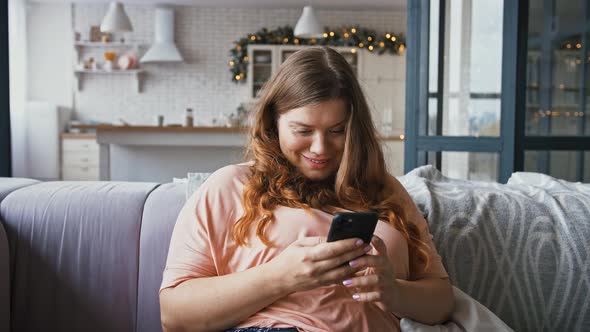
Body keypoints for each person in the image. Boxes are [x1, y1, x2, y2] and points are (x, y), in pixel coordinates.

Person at [159, 46, 454, 332]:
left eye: (337, 131)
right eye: (303, 131)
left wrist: (394, 292)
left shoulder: (384, 189)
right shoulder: (230, 186)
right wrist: (282, 277)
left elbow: (442, 301)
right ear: (273, 122)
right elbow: (174, 316)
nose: (320, 148)